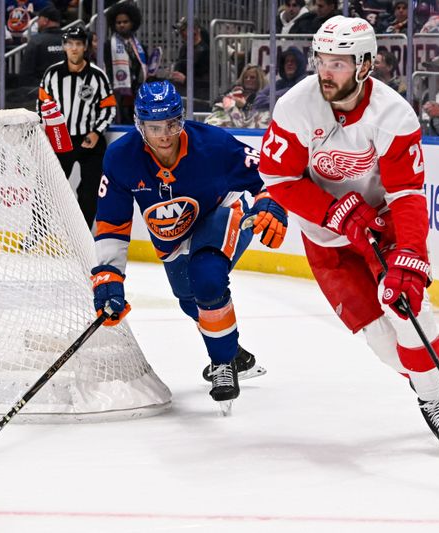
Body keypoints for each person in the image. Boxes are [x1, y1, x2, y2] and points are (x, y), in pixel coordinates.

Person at [258, 16, 439, 447]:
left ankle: (434, 397)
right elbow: (278, 178)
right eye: (322, 60)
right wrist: (336, 212)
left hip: (382, 225)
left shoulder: (393, 114)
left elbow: (407, 192)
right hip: (326, 238)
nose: (326, 71)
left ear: (365, 65)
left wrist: (411, 255)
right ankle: (438, 381)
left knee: (408, 307)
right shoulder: (295, 106)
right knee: (382, 341)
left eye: (339, 63)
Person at [91, 81, 283, 410]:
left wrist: (271, 203)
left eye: (172, 124)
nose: (164, 135)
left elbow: (268, 175)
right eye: (154, 127)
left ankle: (223, 364)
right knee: (189, 299)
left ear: (182, 119)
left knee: (206, 276)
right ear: (140, 125)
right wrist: (108, 274)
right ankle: (232, 349)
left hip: (224, 212)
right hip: (172, 235)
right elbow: (112, 222)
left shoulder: (214, 145)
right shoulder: (121, 158)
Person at [38, 26, 116, 230]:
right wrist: (48, 132)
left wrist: (96, 132)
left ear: (85, 47)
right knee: (48, 187)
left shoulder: (97, 76)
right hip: (60, 139)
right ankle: (37, 232)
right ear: (64, 46)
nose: (74, 48)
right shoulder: (52, 74)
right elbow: (42, 106)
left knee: (90, 191)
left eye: (79, 44)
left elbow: (108, 109)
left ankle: (80, 236)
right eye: (70, 44)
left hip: (90, 139)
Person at [103, 1, 147, 124]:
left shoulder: (140, 46)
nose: (122, 25)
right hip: (117, 93)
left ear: (132, 23)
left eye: (125, 22)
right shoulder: (108, 46)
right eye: (118, 22)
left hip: (136, 93)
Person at [170, 17, 210, 111]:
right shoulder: (184, 48)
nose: (181, 34)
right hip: (183, 92)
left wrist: (185, 80)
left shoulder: (206, 51)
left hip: (199, 96)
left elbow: (207, 82)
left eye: (183, 30)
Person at [19, 5, 64, 87]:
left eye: (38, 19)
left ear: (45, 21)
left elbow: (25, 72)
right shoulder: (72, 40)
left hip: (42, 92)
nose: (37, 22)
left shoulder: (36, 41)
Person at [252, 46, 308, 111]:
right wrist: (276, 98)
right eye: (287, 61)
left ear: (299, 64)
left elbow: (291, 94)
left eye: (293, 61)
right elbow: (258, 100)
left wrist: (270, 97)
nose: (289, 64)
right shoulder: (279, 83)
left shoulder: (304, 82)